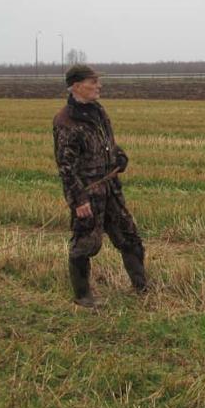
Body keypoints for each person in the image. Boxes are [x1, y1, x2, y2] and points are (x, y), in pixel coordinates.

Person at [53, 64, 148, 308]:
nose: (99, 86)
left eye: (98, 82)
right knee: (86, 244)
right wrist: (78, 200)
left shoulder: (98, 112)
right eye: (92, 82)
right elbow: (66, 167)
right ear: (76, 86)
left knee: (129, 237)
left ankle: (141, 287)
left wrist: (119, 156)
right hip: (88, 194)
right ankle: (83, 296)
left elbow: (107, 144)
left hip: (111, 189)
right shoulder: (66, 121)